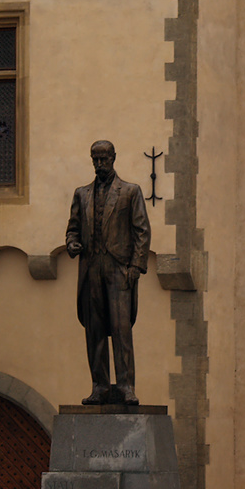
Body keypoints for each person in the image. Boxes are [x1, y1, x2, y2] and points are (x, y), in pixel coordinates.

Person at [66, 140, 151, 405]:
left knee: (121, 330)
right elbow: (73, 228)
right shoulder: (82, 194)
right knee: (95, 331)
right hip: (91, 269)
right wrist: (71, 243)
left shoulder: (130, 192)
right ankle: (100, 385)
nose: (100, 164)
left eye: (104, 159)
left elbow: (142, 231)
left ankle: (126, 385)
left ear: (114, 158)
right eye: (95, 160)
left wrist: (136, 266)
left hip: (118, 269)